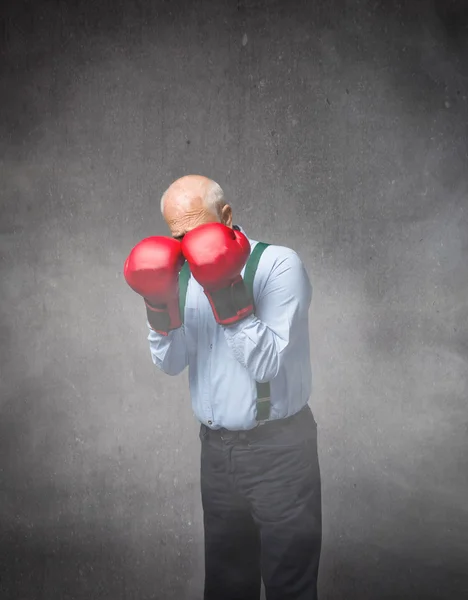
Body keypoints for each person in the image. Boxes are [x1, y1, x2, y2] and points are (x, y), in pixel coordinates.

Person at [124, 175, 322, 600]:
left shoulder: (279, 265)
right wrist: (157, 305)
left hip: (280, 453)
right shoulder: (180, 275)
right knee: (227, 588)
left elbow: (266, 363)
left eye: (196, 231)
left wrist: (224, 289)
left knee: (291, 587)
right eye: (177, 236)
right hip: (216, 454)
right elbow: (171, 363)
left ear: (227, 216)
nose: (186, 245)